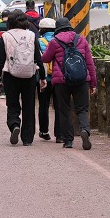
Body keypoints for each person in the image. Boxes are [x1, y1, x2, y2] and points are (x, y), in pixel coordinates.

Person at [40, 16, 98, 149]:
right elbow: (90, 63)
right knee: (82, 109)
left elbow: (45, 58)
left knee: (64, 110)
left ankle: (68, 140)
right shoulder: (81, 39)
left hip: (62, 81)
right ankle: (84, 130)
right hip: (82, 79)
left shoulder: (55, 42)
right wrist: (93, 83)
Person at [0, 11, 42, 145]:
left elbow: (1, 59)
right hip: (29, 75)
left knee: (12, 104)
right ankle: (27, 139)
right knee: (29, 106)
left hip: (10, 75)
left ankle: (14, 125)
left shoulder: (5, 36)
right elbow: (38, 58)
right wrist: (42, 77)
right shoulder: (31, 35)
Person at [36, 17, 57, 141]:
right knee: (59, 106)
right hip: (58, 79)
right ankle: (60, 134)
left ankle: (44, 131)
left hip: (43, 78)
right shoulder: (59, 41)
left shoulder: (38, 41)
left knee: (43, 106)